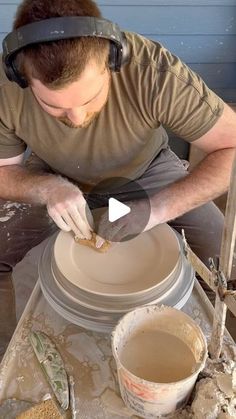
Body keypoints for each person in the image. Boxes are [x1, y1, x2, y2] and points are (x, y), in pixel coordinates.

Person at [0, 0, 236, 355]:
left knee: (226, 261)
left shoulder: (152, 71)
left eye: (91, 98)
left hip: (148, 169)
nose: (76, 119)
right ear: (23, 77)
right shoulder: (6, 86)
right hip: (53, 172)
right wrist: (47, 188)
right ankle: (18, 359)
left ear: (112, 63)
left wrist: (158, 209)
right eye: (55, 107)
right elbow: (4, 170)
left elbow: (230, 148)